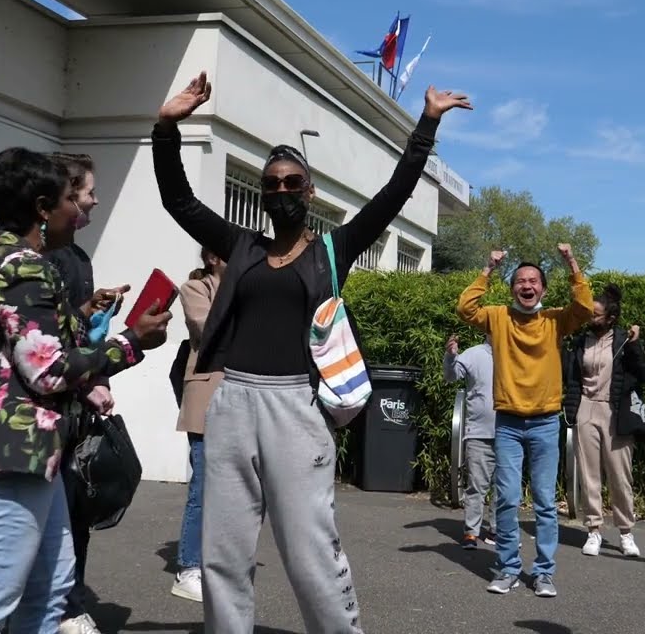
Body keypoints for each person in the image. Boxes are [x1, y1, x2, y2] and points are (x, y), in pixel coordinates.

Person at [151, 71, 471, 634]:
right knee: (223, 555)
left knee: (309, 552)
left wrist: (425, 126)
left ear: (309, 190)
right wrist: (168, 126)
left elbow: (393, 195)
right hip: (232, 403)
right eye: (270, 184)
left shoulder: (334, 247)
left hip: (298, 407)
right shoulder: (240, 244)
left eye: (291, 182)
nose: (280, 192)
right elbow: (178, 199)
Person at [0, 147, 170, 633]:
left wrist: (85, 322)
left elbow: (25, 344)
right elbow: (49, 371)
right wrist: (132, 342)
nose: (78, 210)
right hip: (5, 453)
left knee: (49, 592)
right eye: (69, 200)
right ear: (42, 207)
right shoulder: (21, 265)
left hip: (29, 454)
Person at [457, 246, 594, 598]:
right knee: (506, 499)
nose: (527, 285)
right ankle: (508, 569)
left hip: (546, 422)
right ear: (512, 288)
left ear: (543, 290)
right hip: (508, 423)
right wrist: (488, 268)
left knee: (546, 503)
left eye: (533, 281)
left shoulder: (553, 319)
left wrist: (571, 265)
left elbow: (584, 308)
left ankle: (544, 572)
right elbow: (465, 308)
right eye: (520, 281)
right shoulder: (499, 316)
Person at [45, 151, 131, 634]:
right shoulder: (28, 262)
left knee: (73, 514)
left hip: (71, 414)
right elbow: (47, 346)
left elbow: (71, 332)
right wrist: (129, 343)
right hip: (36, 425)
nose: (96, 201)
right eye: (89, 192)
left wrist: (91, 309)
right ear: (62, 197)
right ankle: (64, 607)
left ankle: (65, 602)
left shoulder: (78, 257)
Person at [561, 284, 645, 559]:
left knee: (620, 475)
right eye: (590, 314)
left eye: (596, 315)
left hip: (615, 412)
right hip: (586, 408)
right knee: (589, 475)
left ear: (610, 318)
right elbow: (570, 375)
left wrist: (635, 345)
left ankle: (626, 532)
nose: (591, 319)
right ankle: (593, 531)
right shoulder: (580, 341)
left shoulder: (624, 339)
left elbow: (644, 372)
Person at [171, 249, 227, 602]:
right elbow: (209, 330)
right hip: (206, 401)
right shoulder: (195, 289)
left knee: (235, 492)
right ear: (211, 257)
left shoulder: (242, 289)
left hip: (241, 402)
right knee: (203, 488)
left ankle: (218, 565)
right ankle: (188, 567)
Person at [443, 333, 495, 549]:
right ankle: (471, 532)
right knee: (476, 485)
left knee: (505, 487)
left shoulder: (516, 352)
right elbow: (451, 376)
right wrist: (450, 356)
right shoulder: (474, 354)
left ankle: (497, 530)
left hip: (511, 431)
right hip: (478, 432)